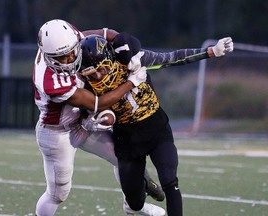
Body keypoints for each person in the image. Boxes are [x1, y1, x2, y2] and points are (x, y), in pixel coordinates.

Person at [79, 33, 234, 216]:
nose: (98, 75)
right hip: (127, 139)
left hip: (155, 129)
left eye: (101, 69)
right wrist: (88, 121)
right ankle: (144, 186)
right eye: (91, 73)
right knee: (135, 203)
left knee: (170, 181)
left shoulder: (134, 60)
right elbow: (82, 113)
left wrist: (211, 51)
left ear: (110, 58)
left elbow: (173, 58)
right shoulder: (86, 86)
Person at [33, 19, 165, 216]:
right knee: (58, 193)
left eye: (71, 52)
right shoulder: (50, 81)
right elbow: (97, 103)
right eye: (62, 57)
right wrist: (132, 81)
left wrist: (127, 49)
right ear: (49, 56)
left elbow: (106, 33)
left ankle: (134, 205)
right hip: (57, 132)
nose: (70, 59)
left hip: (83, 121)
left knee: (126, 158)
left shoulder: (72, 39)